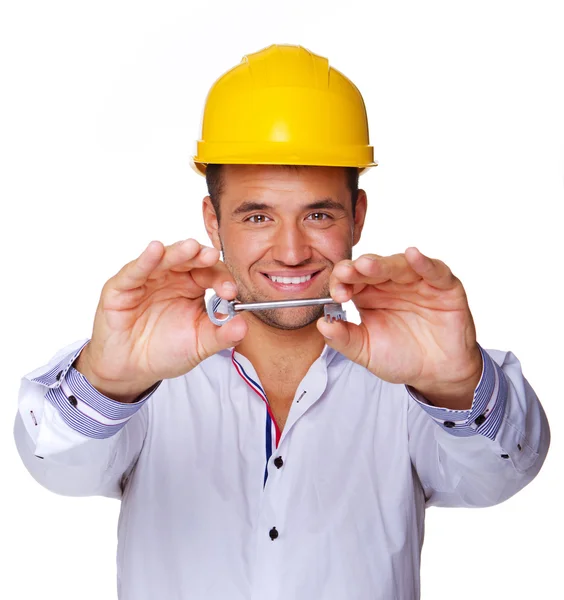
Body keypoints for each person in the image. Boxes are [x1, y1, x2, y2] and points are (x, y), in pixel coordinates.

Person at [14, 44, 550, 600]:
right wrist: (107, 383)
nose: (291, 251)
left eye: (318, 214)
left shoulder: (408, 369)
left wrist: (457, 385)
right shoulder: (147, 362)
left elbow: (502, 476)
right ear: (213, 222)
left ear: (358, 217)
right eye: (257, 216)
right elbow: (58, 469)